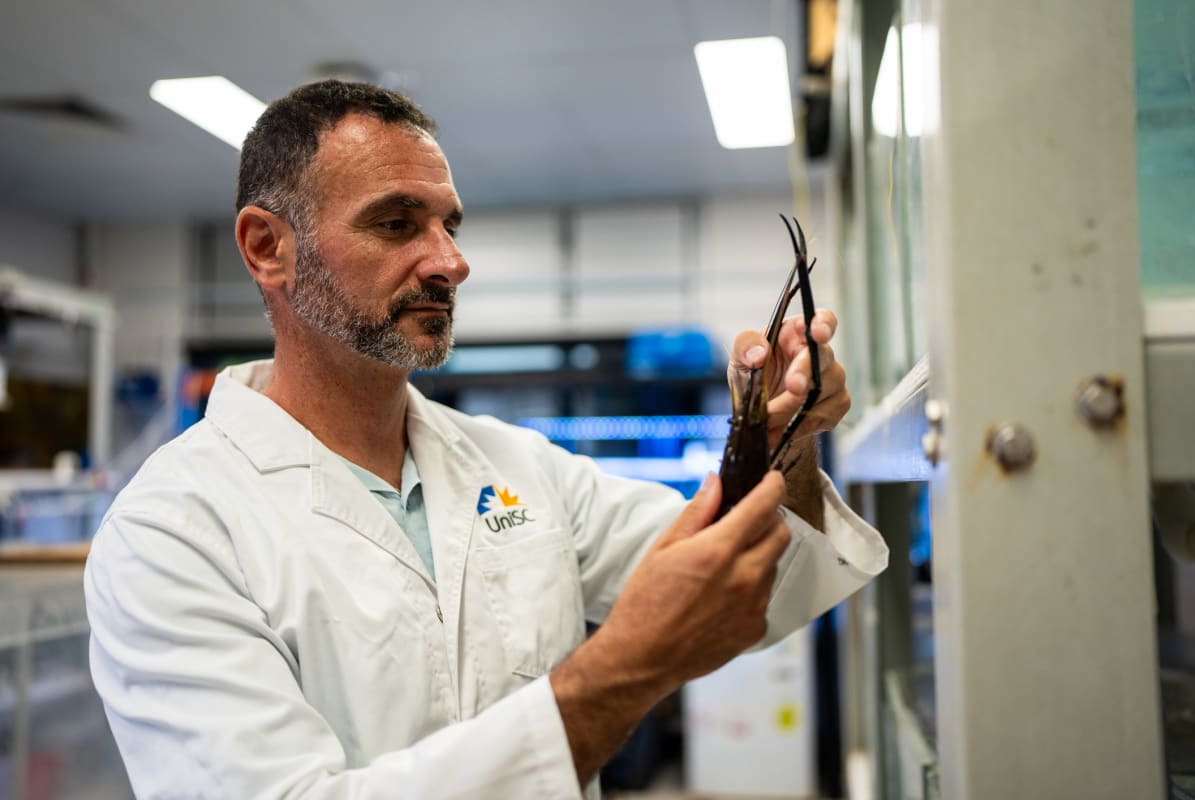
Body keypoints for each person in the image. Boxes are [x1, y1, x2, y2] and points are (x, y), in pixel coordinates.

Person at [84, 80, 887, 799]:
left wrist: (788, 440)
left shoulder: (518, 467)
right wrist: (619, 672)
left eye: (449, 225)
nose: (450, 263)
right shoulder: (172, 532)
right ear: (268, 248)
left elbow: (763, 593)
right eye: (397, 223)